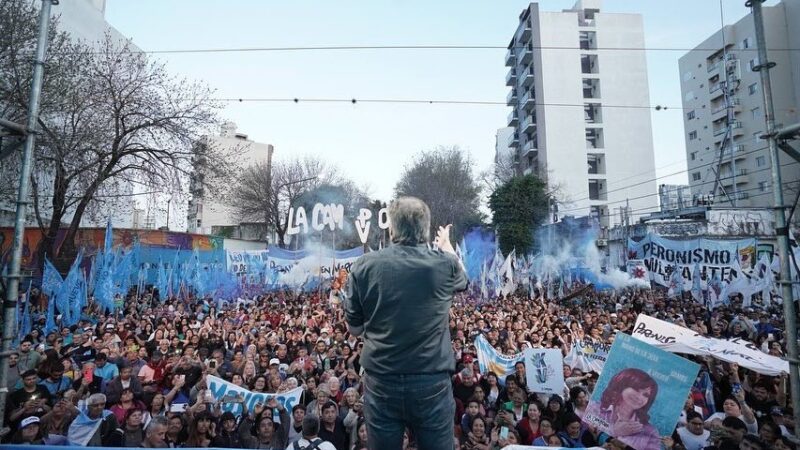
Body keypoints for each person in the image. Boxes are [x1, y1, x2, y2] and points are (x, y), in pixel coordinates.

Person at [345, 197, 467, 450]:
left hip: (381, 382)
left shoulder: (364, 265)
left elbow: (354, 328)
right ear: (426, 231)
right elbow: (463, 280)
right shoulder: (444, 264)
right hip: (431, 381)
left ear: (392, 229)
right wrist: (446, 246)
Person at [584, 368, 659, 450]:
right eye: (636, 389)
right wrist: (613, 431)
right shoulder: (594, 408)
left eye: (646, 395)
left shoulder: (650, 432)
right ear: (621, 385)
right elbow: (583, 438)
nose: (639, 397)